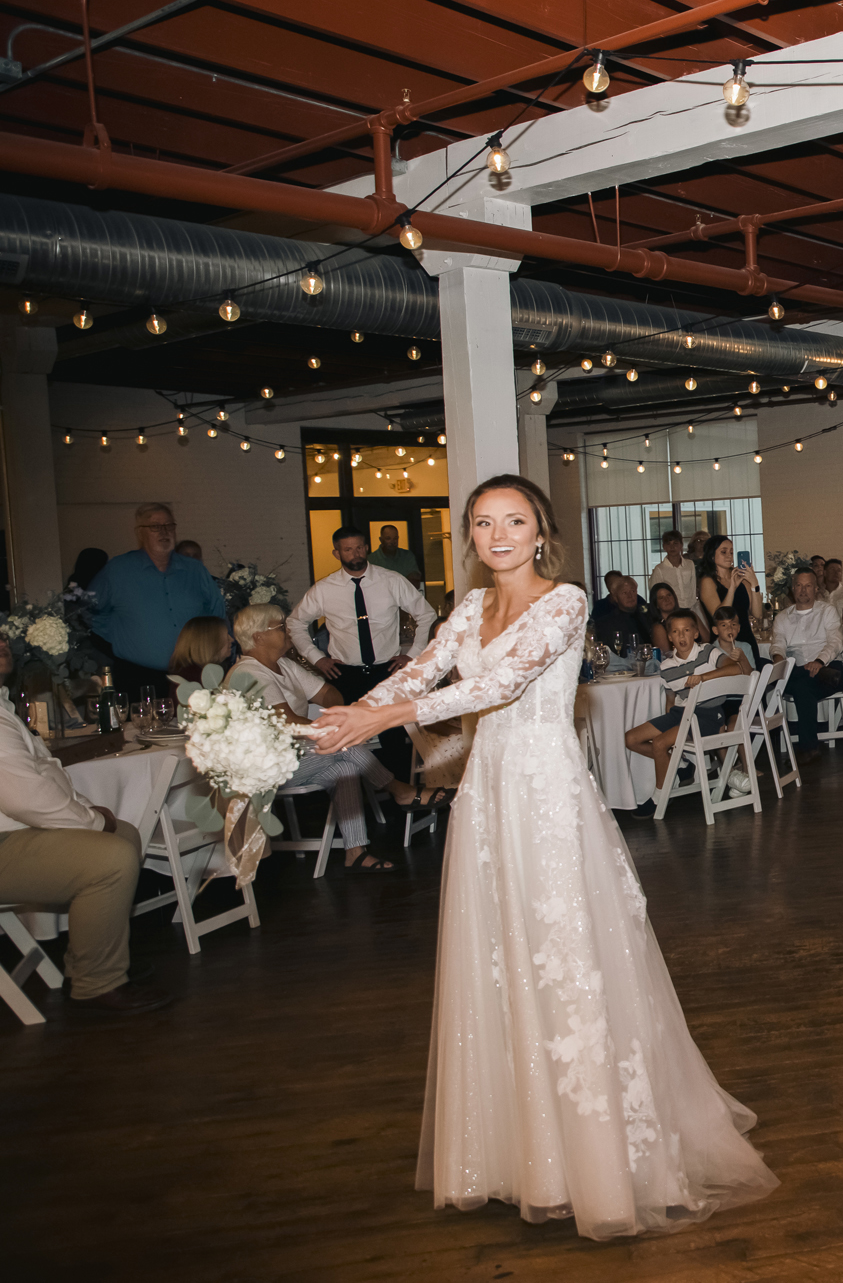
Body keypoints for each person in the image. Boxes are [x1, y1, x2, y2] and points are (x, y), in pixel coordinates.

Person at [309, 476, 777, 1238]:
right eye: (483, 522)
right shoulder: (469, 607)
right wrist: (355, 711)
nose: (498, 535)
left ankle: (596, 1161)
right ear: (470, 533)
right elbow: (422, 668)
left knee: (564, 959)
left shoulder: (564, 602)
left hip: (548, 798)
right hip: (486, 797)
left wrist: (387, 717)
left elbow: (503, 680)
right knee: (496, 957)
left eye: (514, 521)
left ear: (540, 532)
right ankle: (518, 1153)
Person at [0, 639, 167, 1014]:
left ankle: (91, 963)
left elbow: (43, 776)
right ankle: (97, 983)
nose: (2, 642)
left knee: (125, 833)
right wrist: (93, 821)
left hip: (12, 832)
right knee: (110, 858)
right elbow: (26, 799)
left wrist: (89, 812)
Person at [233, 604, 421, 870]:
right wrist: (332, 729)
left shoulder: (283, 665)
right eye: (281, 626)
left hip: (296, 756)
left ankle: (355, 851)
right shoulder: (249, 672)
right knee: (340, 745)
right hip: (264, 768)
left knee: (345, 768)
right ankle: (397, 789)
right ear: (258, 637)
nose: (288, 631)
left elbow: (331, 694)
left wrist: (329, 724)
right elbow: (288, 722)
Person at [285, 524, 433, 777]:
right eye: (348, 550)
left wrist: (412, 653)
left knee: (394, 740)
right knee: (348, 742)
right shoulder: (324, 589)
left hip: (386, 672)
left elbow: (426, 615)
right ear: (337, 553)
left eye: (359, 548)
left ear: (366, 548)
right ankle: (357, 792)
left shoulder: (391, 580)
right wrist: (317, 659)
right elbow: (295, 623)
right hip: (346, 675)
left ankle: (400, 794)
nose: (355, 554)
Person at [90, 503, 226, 701]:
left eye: (169, 525)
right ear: (140, 533)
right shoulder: (118, 570)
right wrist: (119, 638)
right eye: (155, 526)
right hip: (136, 677)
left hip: (192, 676)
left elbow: (217, 614)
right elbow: (89, 613)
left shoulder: (195, 571)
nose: (164, 531)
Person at [625, 609, 751, 810]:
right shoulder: (666, 666)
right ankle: (682, 765)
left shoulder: (708, 652)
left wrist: (703, 678)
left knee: (659, 743)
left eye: (686, 630)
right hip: (681, 713)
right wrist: (668, 723)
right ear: (669, 636)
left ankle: (659, 797)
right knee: (631, 739)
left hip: (708, 715)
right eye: (675, 632)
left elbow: (735, 668)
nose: (681, 636)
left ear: (695, 633)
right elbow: (670, 700)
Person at [770, 570, 843, 763]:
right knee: (773, 670)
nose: (803, 590)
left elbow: (835, 641)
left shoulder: (827, 611)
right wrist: (778, 660)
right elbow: (778, 643)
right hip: (797, 670)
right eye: (799, 585)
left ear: (816, 588)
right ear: (792, 589)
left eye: (808, 585)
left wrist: (819, 662)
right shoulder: (782, 617)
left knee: (802, 687)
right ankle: (809, 748)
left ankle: (809, 748)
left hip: (826, 667)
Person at [696, 536, 764, 638]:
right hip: (723, 641)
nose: (729, 556)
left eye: (731, 552)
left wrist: (754, 583)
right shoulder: (708, 581)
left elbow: (758, 614)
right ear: (712, 555)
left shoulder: (740, 577)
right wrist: (732, 588)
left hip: (746, 637)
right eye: (724, 552)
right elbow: (720, 616)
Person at [646, 531, 700, 632]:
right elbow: (654, 592)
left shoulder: (690, 564)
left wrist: (695, 607)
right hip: (672, 611)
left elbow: (693, 587)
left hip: (692, 608)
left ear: (681, 545)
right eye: (668, 544)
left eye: (675, 543)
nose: (672, 547)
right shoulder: (659, 569)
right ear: (664, 547)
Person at [590, 573, 650, 657]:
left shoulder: (647, 616)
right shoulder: (606, 623)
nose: (630, 596)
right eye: (624, 593)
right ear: (615, 597)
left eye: (633, 591)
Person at [167, 615, 233, 683]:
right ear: (209, 642)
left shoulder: (206, 673)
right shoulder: (192, 679)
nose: (231, 640)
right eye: (226, 636)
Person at [646, 583, 680, 650]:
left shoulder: (689, 615)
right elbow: (665, 654)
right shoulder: (658, 628)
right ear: (656, 604)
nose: (667, 599)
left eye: (669, 595)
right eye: (661, 598)